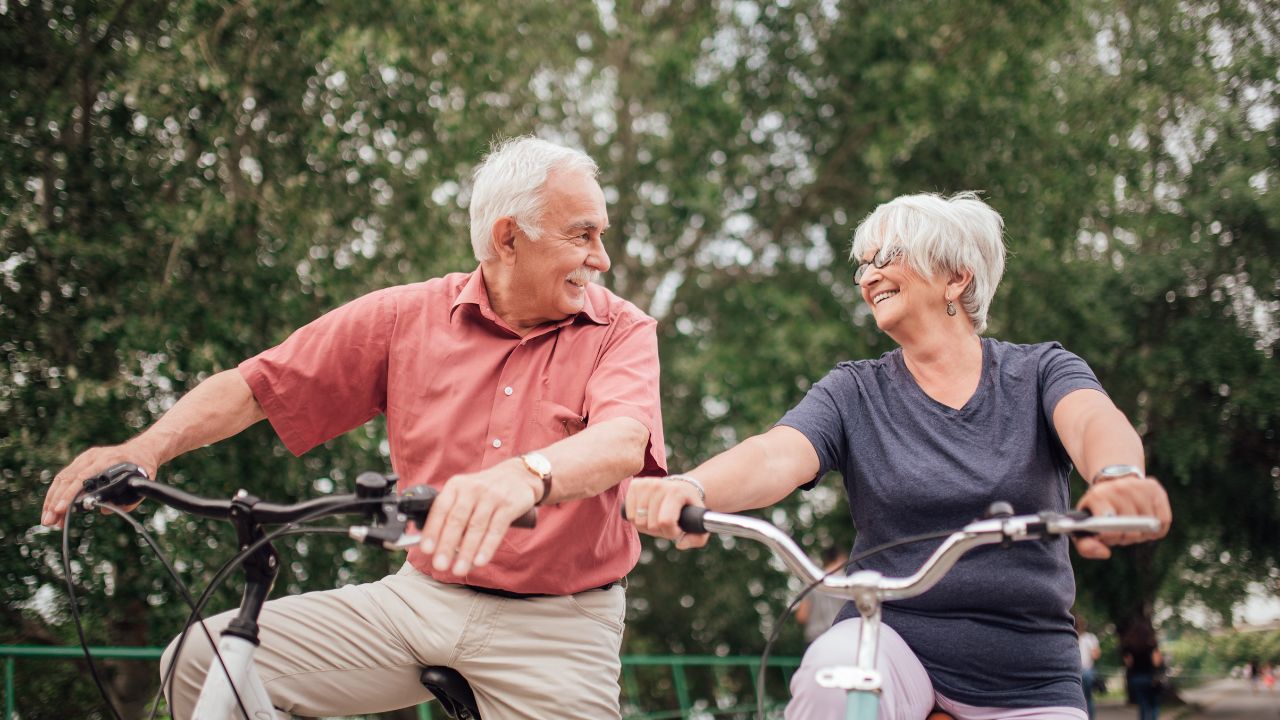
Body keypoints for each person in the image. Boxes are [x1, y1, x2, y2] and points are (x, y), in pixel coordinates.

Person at [40, 137, 666, 719]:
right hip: (421, 597)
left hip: (558, 624)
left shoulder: (621, 329)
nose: (601, 259)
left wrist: (528, 475)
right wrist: (145, 447)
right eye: (582, 235)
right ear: (507, 239)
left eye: (600, 235)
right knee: (198, 663)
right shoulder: (406, 316)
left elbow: (621, 442)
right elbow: (259, 386)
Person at [627, 192, 1172, 720]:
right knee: (832, 679)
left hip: (1024, 664)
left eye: (886, 258)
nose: (867, 278)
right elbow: (776, 454)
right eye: (862, 265)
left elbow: (1092, 420)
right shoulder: (854, 391)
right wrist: (692, 487)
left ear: (957, 276)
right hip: (891, 637)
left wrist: (1118, 476)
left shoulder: (1039, 372)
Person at [795, 545, 848, 643]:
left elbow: (801, 616)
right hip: (839, 638)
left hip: (815, 641)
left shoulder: (811, 581)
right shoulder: (847, 582)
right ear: (840, 558)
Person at [1122, 627, 1163, 720]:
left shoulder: (1129, 647)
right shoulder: (1152, 645)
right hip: (1151, 678)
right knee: (1154, 705)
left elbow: (1129, 663)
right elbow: (1156, 662)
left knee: (1143, 705)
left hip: (1137, 678)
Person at [1077, 615, 1102, 719]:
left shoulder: (1089, 637)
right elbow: (1096, 655)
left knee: (1085, 697)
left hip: (1085, 670)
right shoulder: (1074, 636)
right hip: (1080, 671)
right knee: (1086, 698)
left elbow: (1096, 655)